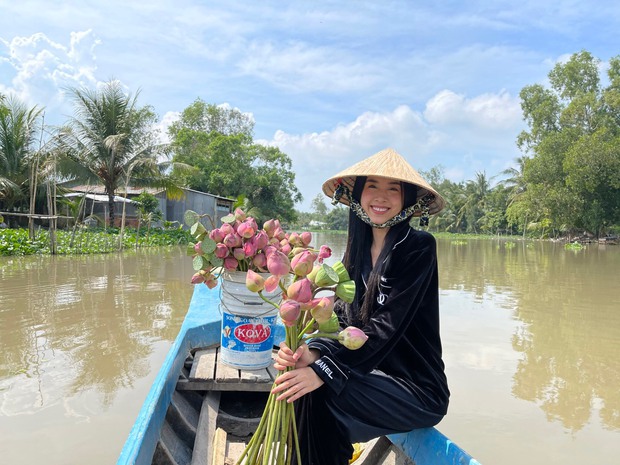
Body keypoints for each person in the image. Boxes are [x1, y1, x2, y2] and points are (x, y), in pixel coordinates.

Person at [271, 148, 450, 465]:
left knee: (318, 387)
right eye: (372, 186)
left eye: (393, 188)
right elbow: (341, 318)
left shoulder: (418, 248)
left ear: (406, 198)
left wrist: (324, 369)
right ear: (357, 194)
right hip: (368, 374)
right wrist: (309, 350)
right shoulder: (356, 251)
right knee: (298, 381)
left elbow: (386, 329)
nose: (381, 197)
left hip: (416, 389)